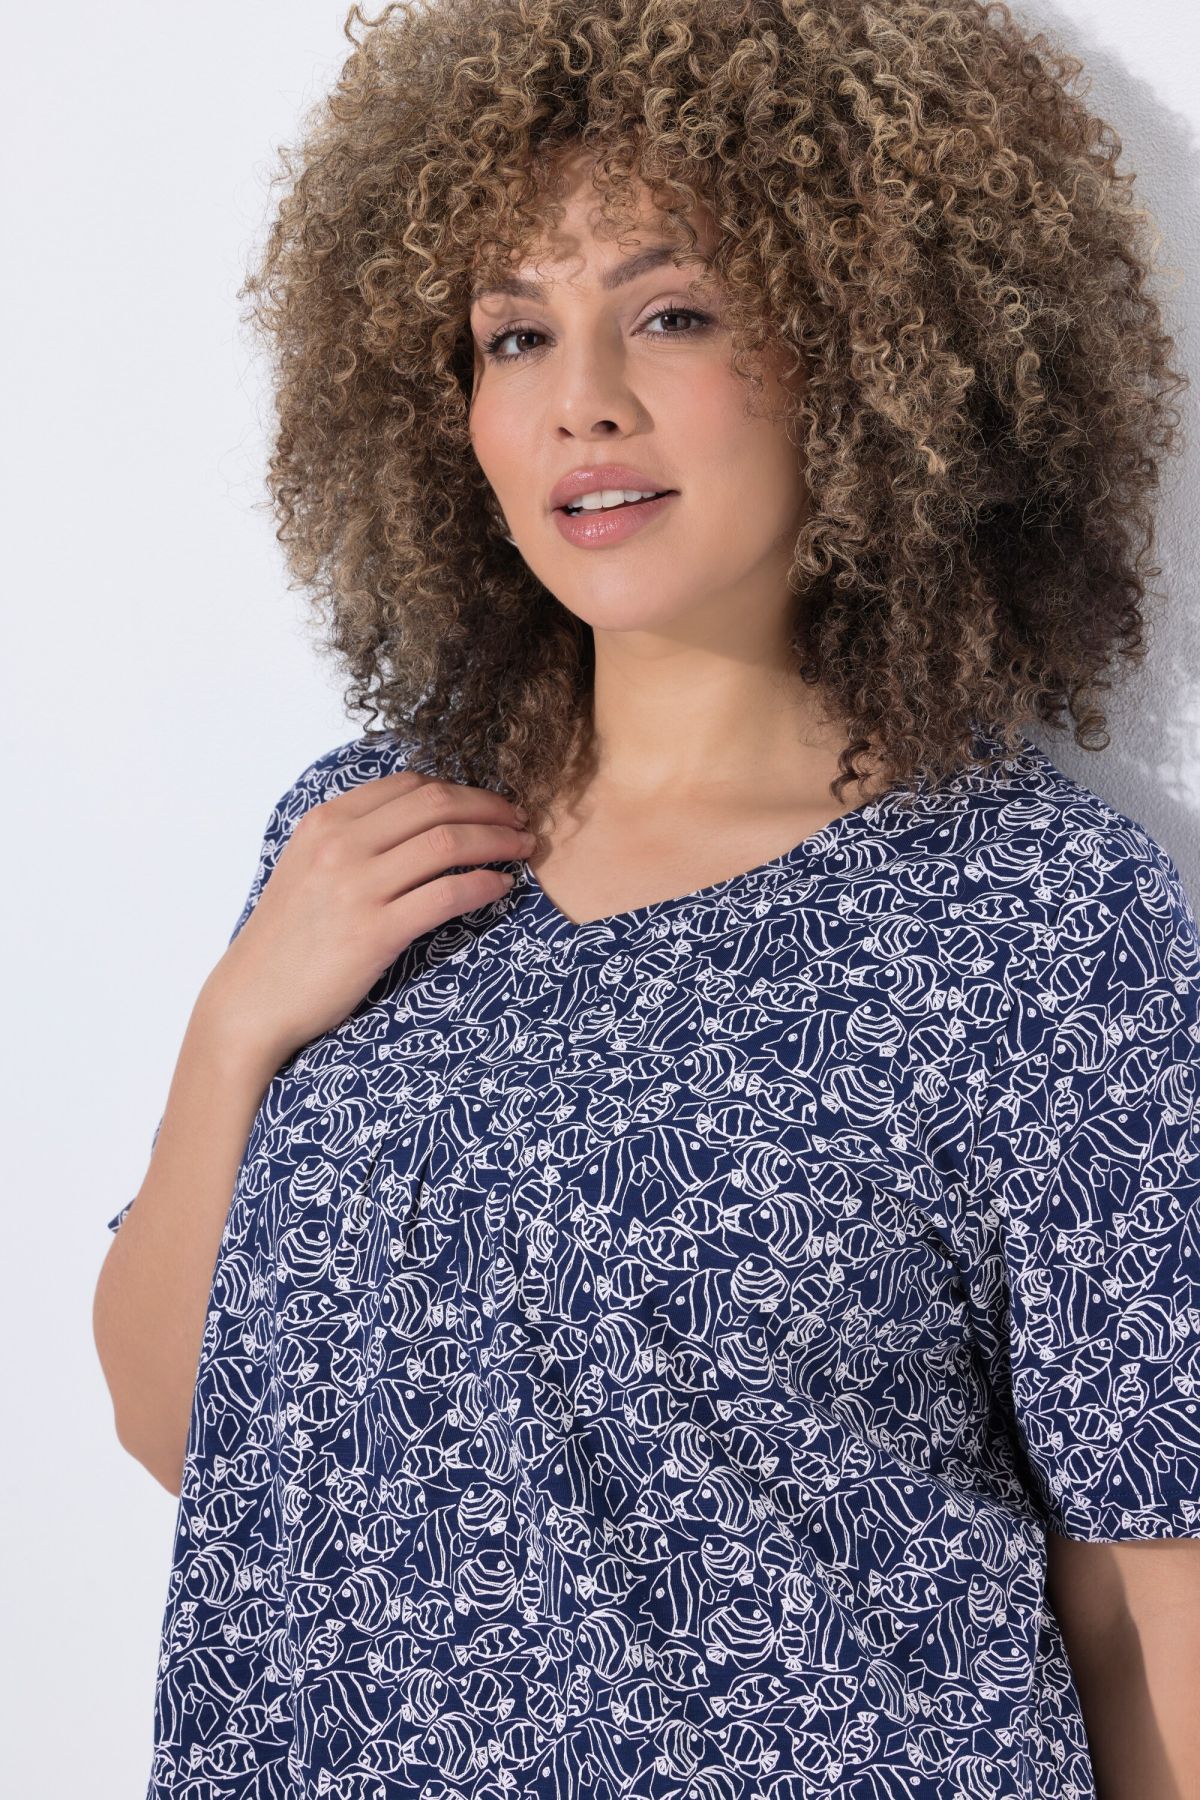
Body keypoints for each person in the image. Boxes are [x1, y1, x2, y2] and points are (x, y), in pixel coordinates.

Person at [93, 1, 1200, 1794]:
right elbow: (175, 1432)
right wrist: (234, 1030)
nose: (581, 399)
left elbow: (1149, 1581)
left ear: (876, 353)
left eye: (674, 313)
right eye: (516, 334)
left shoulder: (1037, 916)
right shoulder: (367, 838)